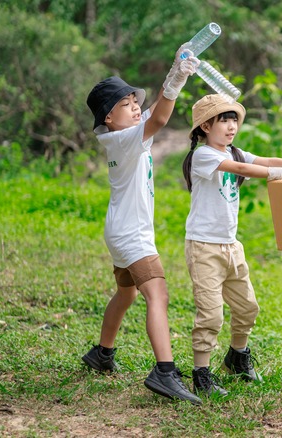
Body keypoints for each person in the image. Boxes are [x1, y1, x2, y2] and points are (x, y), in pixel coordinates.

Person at [182, 93, 282, 397]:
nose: (231, 125)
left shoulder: (233, 151)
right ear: (206, 126)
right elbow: (245, 170)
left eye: (234, 118)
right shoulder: (204, 155)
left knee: (247, 307)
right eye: (224, 120)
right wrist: (280, 175)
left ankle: (237, 358)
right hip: (204, 247)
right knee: (211, 315)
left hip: (231, 247)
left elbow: (261, 161)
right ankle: (201, 374)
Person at [82, 45, 202, 404]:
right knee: (158, 295)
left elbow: (154, 113)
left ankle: (101, 354)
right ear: (108, 118)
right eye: (125, 104)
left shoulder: (124, 135)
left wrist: (175, 71)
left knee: (127, 293)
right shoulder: (122, 139)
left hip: (119, 229)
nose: (135, 106)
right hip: (131, 234)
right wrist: (176, 77)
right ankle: (165, 372)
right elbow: (161, 118)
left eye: (135, 101)